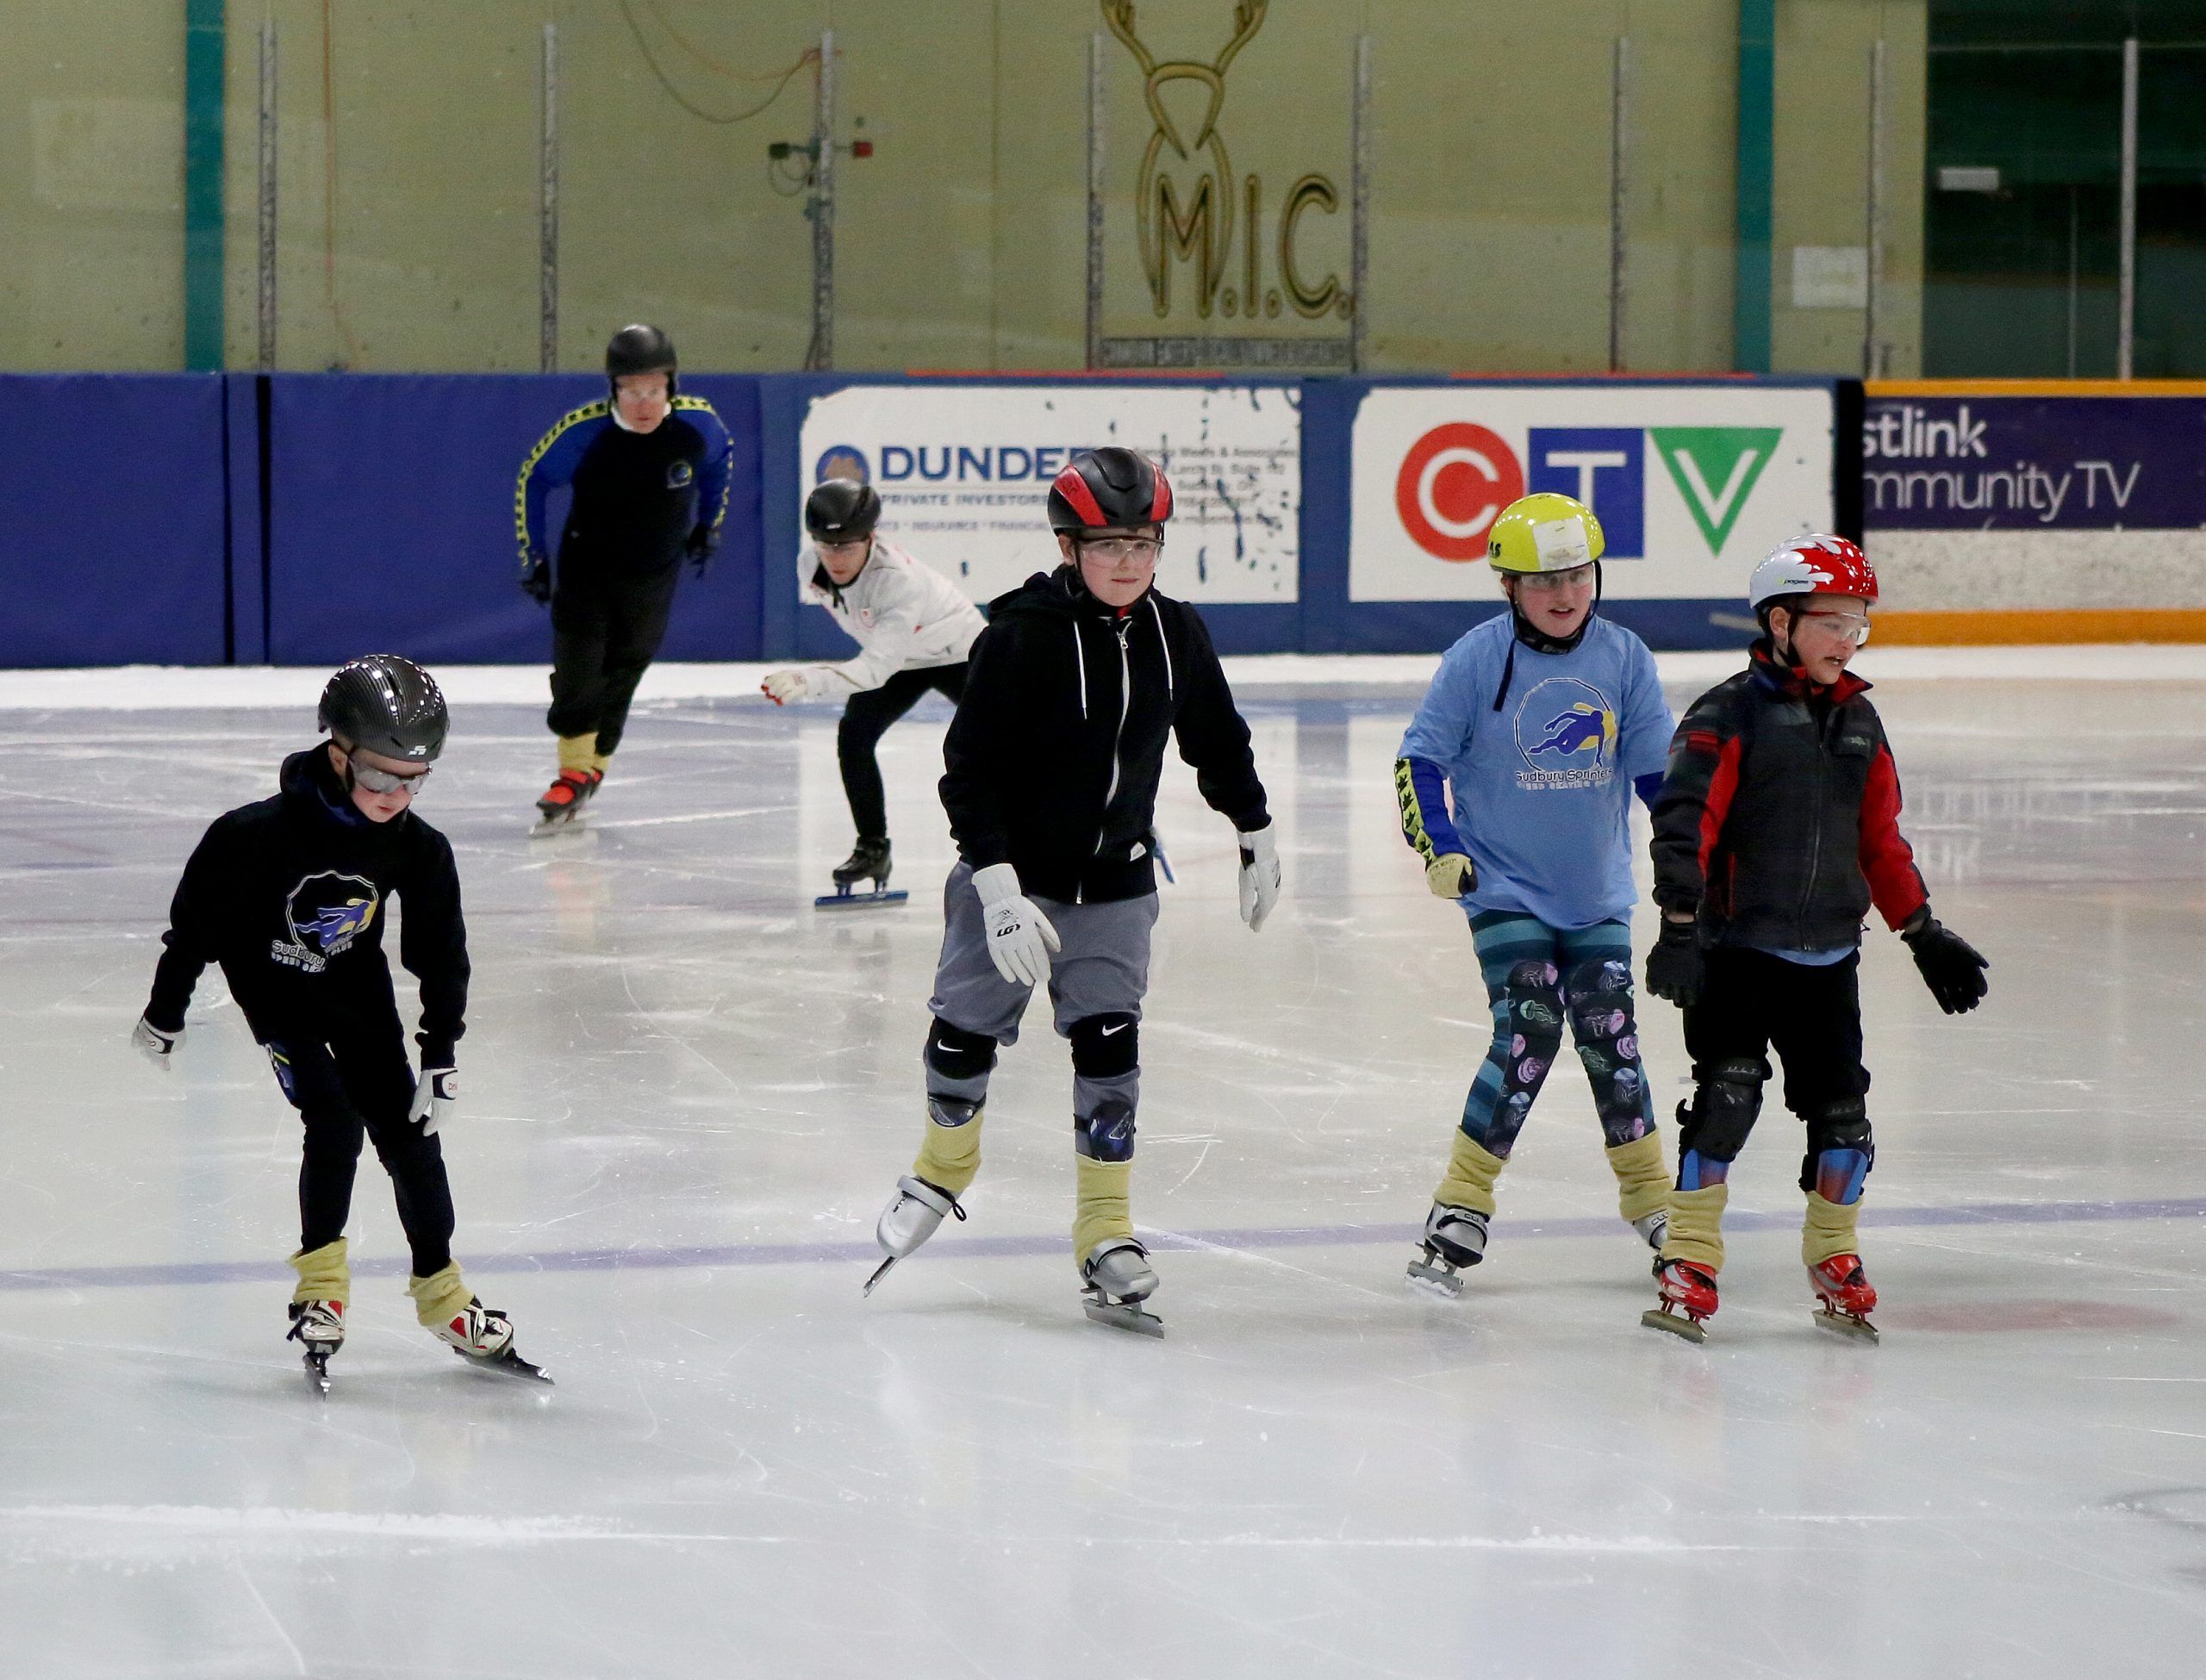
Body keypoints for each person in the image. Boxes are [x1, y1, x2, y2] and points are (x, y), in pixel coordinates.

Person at [861, 446, 1281, 1335]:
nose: (1127, 560)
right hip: (1009, 875)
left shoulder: (1177, 632)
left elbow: (1216, 736)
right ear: (1067, 546)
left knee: (1109, 1046)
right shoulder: (1022, 636)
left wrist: (1255, 827)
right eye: (1105, 544)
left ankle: (1104, 1230)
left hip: (1116, 883)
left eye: (1141, 541)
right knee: (962, 1035)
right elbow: (966, 771)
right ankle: (943, 1166)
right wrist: (998, 882)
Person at [130, 656, 547, 1389]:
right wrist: (167, 1012)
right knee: (332, 1118)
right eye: (382, 776)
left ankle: (444, 1297)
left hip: (356, 993)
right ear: (337, 752)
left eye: (414, 779)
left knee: (408, 1132)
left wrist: (440, 1050)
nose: (396, 795)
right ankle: (320, 1289)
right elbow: (194, 927)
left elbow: (440, 955)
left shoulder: (419, 848)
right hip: (273, 991)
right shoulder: (251, 833)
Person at [1641, 534, 1989, 1341]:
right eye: (1831, 620)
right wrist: (1681, 928)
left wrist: (1923, 930)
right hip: (1734, 951)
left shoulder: (1860, 723)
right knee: (1728, 1097)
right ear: (1780, 622)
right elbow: (1684, 827)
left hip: (1828, 957)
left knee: (1844, 1119)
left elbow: (1881, 843)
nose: (1846, 638)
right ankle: (1688, 1256)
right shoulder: (1726, 716)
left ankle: (1834, 1253)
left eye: (1858, 622)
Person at [1392, 492, 1677, 1293]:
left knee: (1610, 1037)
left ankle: (1655, 1201)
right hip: (1503, 887)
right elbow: (1420, 761)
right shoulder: (1477, 659)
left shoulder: (1624, 658)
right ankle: (1462, 1202)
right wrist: (1439, 845)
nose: (1564, 594)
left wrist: (1701, 854)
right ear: (1508, 586)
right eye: (1542, 579)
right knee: (1531, 1028)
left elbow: (1659, 778)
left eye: (1579, 575)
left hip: (1597, 894)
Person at [514, 323, 733, 831]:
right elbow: (533, 478)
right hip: (586, 571)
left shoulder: (699, 426)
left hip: (653, 576)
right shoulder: (583, 432)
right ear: (614, 390)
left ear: (670, 388)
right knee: (578, 672)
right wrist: (535, 554)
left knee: (623, 673)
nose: (643, 403)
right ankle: (572, 773)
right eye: (632, 391)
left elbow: (720, 466)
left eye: (654, 391)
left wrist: (709, 526)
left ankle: (591, 770)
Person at [760, 477, 987, 898]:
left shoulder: (899, 582)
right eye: (828, 546)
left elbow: (875, 670)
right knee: (855, 736)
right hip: (901, 656)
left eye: (847, 546)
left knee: (999, 744)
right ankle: (872, 848)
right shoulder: (810, 566)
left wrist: (807, 679)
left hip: (958, 650)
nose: (836, 558)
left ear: (871, 538)